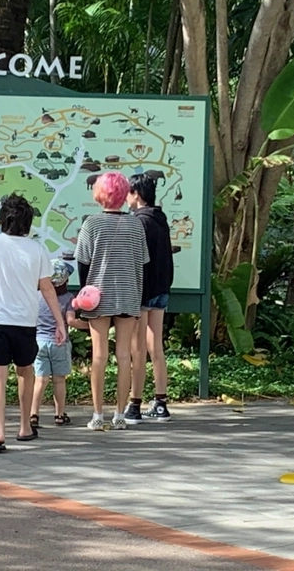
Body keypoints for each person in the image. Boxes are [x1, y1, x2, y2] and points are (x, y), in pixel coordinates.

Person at [0, 193, 67, 454]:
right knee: (26, 371)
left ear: (2, 220)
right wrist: (59, 322)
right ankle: (24, 426)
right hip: (26, 322)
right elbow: (47, 288)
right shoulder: (38, 249)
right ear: (28, 223)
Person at [75, 172, 149, 431]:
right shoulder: (136, 225)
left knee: (99, 356)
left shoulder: (91, 224)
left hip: (98, 296)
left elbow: (82, 264)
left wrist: (86, 291)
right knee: (124, 356)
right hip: (128, 294)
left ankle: (97, 415)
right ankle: (120, 414)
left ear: (99, 194)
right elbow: (142, 263)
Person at [124, 174, 175, 424]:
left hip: (142, 293)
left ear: (136, 194)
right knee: (156, 347)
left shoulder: (139, 222)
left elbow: (137, 262)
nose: (126, 198)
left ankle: (134, 405)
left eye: (128, 192)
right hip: (161, 290)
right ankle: (160, 402)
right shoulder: (160, 219)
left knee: (138, 349)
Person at [30, 259, 88, 428]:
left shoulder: (37, 296)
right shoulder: (68, 298)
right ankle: (59, 415)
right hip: (60, 344)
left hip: (39, 342)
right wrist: (90, 326)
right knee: (59, 380)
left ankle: (34, 414)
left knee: (40, 380)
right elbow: (71, 321)